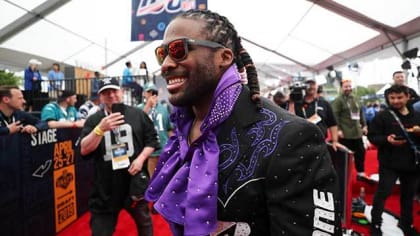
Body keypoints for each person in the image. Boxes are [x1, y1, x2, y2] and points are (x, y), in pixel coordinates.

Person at [145, 9, 342, 236]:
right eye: (162, 54)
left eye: (179, 50)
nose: (166, 64)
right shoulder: (182, 131)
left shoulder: (290, 136)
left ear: (224, 58)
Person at [79, 77, 160, 236]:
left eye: (114, 91)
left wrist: (141, 159)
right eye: (106, 92)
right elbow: (83, 150)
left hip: (134, 182)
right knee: (101, 231)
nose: (111, 95)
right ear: (100, 96)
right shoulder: (94, 120)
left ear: (121, 92)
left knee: (145, 226)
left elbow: (152, 141)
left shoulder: (137, 114)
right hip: (106, 187)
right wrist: (99, 130)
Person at [367, 84, 420, 236]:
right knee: (383, 194)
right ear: (388, 99)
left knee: (408, 196)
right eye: (392, 98)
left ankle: (406, 223)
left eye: (399, 97)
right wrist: (387, 140)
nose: (396, 101)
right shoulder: (382, 116)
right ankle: (376, 224)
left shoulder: (416, 116)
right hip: (389, 163)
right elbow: (372, 137)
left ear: (407, 96)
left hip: (412, 164)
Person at [332, 79, 369, 181]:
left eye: (349, 86)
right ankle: (343, 175)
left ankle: (360, 173)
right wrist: (338, 130)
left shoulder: (356, 99)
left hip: (357, 132)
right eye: (346, 86)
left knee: (361, 152)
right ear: (341, 88)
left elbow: (361, 113)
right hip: (345, 132)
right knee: (344, 155)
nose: (348, 88)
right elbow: (335, 116)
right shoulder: (338, 101)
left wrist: (364, 125)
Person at [290, 78, 340, 150]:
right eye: (308, 84)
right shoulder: (297, 103)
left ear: (317, 86)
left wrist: (335, 141)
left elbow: (332, 124)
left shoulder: (324, 103)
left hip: (321, 142)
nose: (310, 86)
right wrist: (292, 100)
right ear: (304, 86)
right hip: (302, 142)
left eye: (313, 84)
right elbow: (291, 118)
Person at [137, 83, 173, 177]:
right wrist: (148, 106)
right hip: (149, 153)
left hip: (164, 151)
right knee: (151, 180)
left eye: (154, 92)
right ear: (144, 94)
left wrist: (173, 146)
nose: (152, 94)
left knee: (165, 178)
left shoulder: (163, 108)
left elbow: (169, 128)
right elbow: (138, 124)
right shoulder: (139, 108)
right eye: (149, 91)